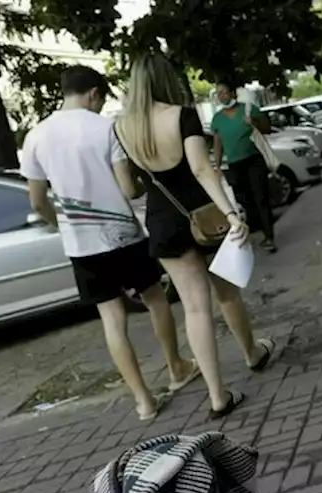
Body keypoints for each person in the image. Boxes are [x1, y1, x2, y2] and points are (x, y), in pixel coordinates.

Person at [20, 65, 199, 422]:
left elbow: (37, 202)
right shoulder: (106, 128)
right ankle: (177, 367)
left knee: (112, 319)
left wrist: (64, 224)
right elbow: (129, 189)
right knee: (154, 299)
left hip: (81, 245)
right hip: (123, 234)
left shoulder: (35, 137)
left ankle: (144, 401)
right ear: (94, 94)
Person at [115, 54, 278, 420]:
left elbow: (130, 189)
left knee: (193, 308)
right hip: (204, 215)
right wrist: (232, 214)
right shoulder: (182, 114)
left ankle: (218, 396)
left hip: (163, 220)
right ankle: (252, 354)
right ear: (164, 79)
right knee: (226, 291)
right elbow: (203, 169)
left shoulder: (122, 128)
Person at [211, 82, 277, 253]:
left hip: (254, 160)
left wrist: (253, 121)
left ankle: (269, 236)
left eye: (224, 92)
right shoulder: (217, 119)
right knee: (245, 201)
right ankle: (257, 230)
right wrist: (217, 166)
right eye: (218, 93)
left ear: (232, 93)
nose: (221, 96)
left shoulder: (248, 109)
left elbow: (267, 128)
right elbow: (217, 143)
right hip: (235, 165)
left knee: (261, 197)